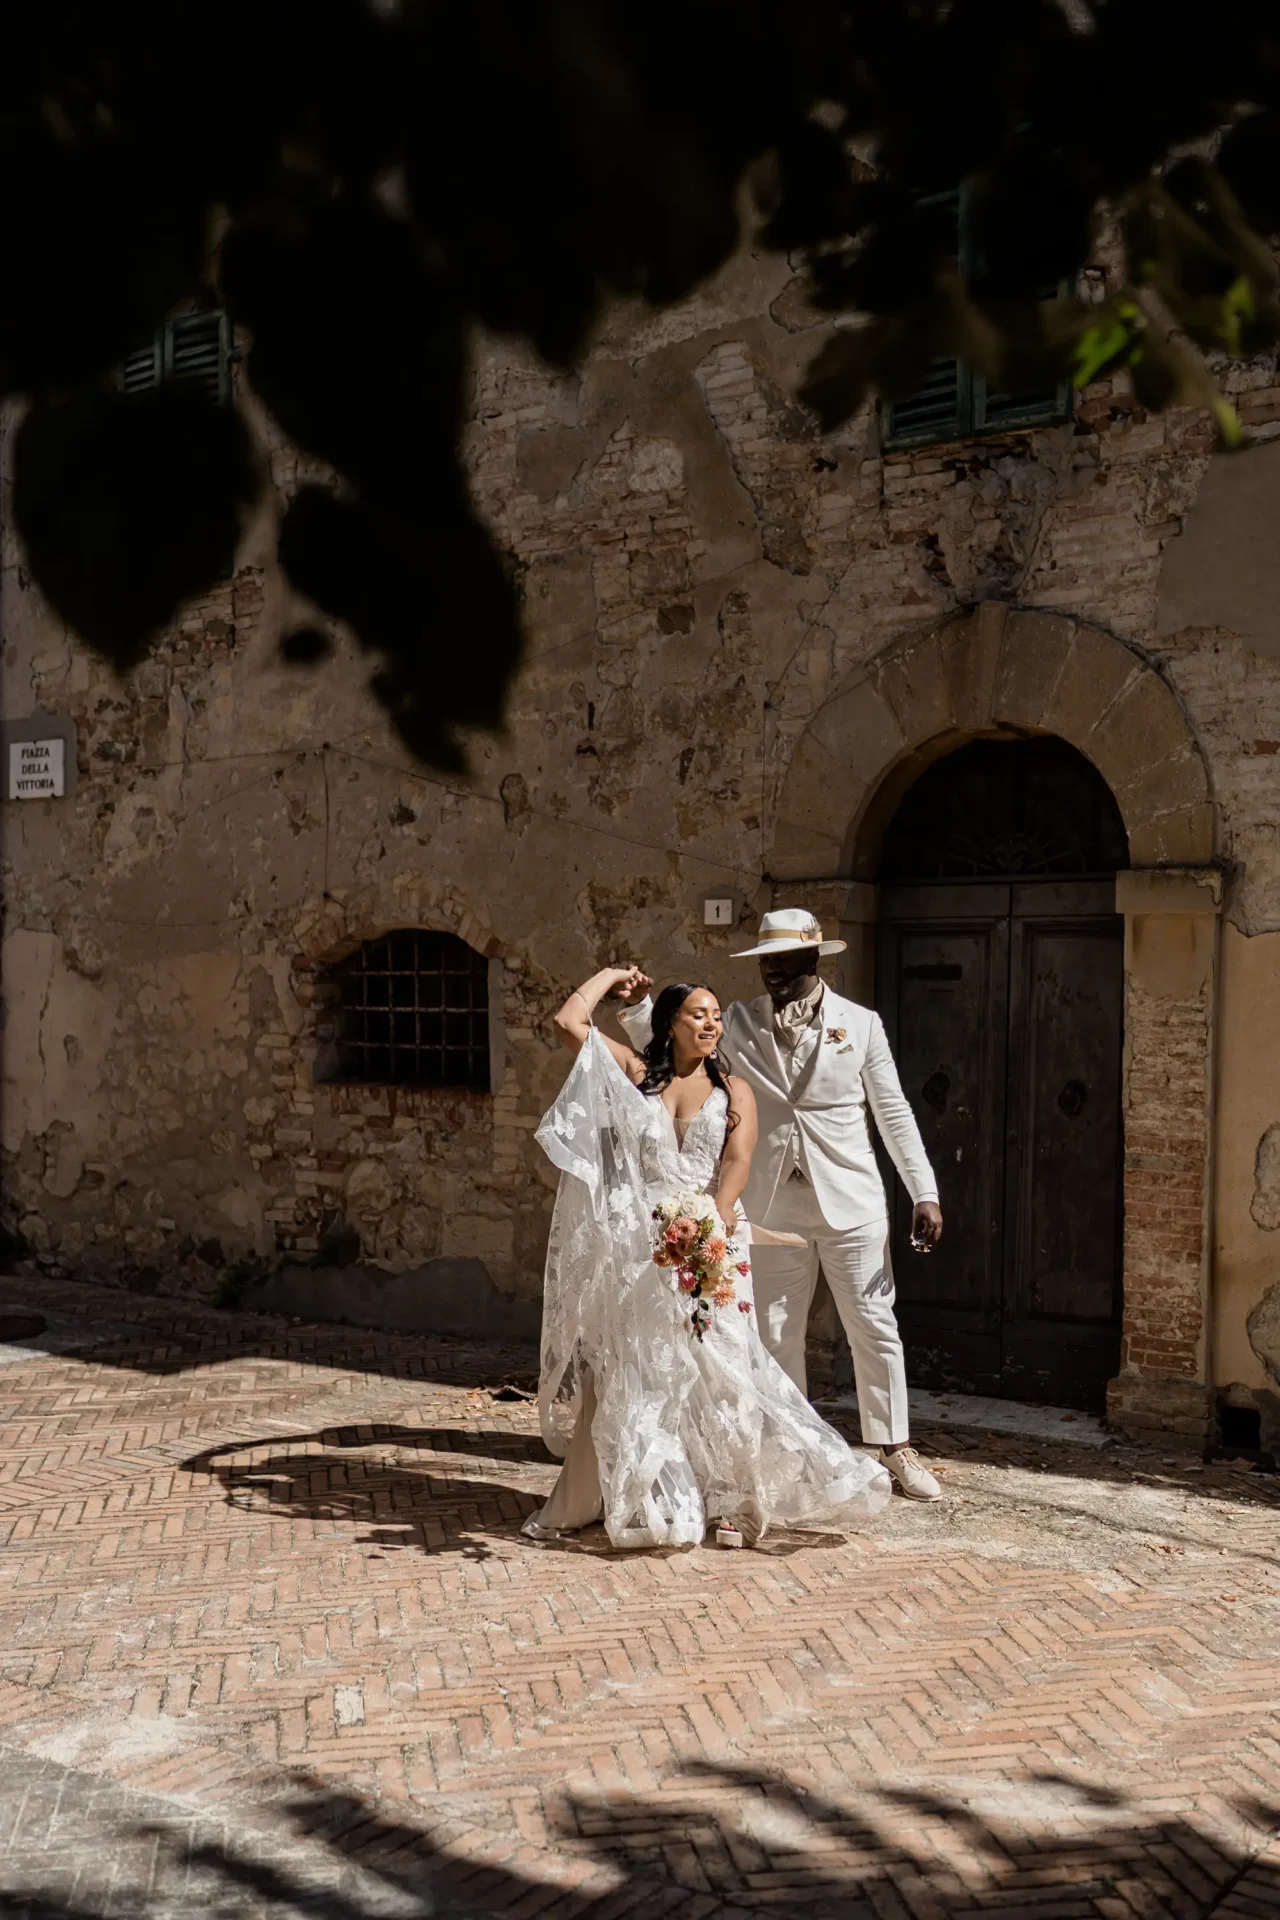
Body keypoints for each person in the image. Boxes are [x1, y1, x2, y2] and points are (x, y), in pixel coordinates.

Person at [523, 964, 892, 1550]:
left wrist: (715, 1213)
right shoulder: (635, 1072)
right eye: (700, 1014)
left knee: (723, 1371)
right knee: (634, 1369)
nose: (713, 1024)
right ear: (670, 1023)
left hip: (707, 1242)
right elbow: (569, 1020)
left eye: (718, 1016)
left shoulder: (732, 1089)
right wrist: (613, 975)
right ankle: (631, 1490)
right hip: (637, 1251)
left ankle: (731, 1499)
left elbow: (738, 1161)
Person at [618, 908, 945, 1501]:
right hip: (768, 1200)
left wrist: (924, 1190)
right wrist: (641, 1010)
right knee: (772, 1331)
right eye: (766, 963)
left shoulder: (861, 1025)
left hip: (852, 1199)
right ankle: (792, 1448)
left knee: (874, 1325)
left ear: (814, 961)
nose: (774, 974)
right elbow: (675, 1052)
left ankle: (894, 1448)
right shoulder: (737, 1019)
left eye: (786, 964)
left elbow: (893, 1111)